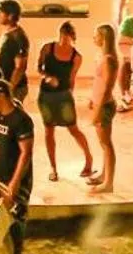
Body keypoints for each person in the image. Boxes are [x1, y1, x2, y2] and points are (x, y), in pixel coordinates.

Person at [0, 79, 35, 254]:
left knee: (15, 219)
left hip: (15, 179)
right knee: (0, 218)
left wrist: (15, 182)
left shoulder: (21, 120)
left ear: (1, 95)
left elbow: (26, 153)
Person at [35, 20, 94, 182]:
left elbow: (72, 79)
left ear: (72, 37)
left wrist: (70, 95)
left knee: (73, 129)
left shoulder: (76, 57)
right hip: (46, 95)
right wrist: (47, 77)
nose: (64, 39)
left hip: (63, 95)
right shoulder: (48, 48)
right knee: (49, 130)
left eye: (67, 37)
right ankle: (53, 168)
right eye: (62, 35)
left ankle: (89, 158)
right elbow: (39, 67)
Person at [85, 23, 120, 194]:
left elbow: (106, 88)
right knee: (103, 143)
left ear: (103, 38)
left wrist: (98, 109)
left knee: (106, 144)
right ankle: (104, 175)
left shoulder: (108, 59)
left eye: (96, 35)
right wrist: (92, 100)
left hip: (104, 105)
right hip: (100, 103)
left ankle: (109, 183)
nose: (93, 38)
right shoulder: (104, 57)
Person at [0, 0, 30, 101]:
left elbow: (20, 67)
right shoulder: (8, 33)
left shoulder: (18, 38)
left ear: (10, 16)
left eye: (0, 12)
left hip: (14, 88)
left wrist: (10, 88)